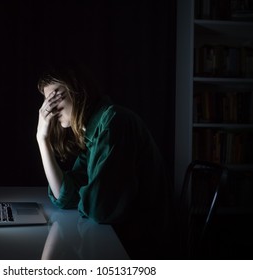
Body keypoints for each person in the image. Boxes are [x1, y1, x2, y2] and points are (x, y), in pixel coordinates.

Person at [36, 61, 172, 259]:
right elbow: (66, 197)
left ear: (76, 89)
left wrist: (88, 195)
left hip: (141, 249)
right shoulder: (93, 132)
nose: (50, 109)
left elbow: (99, 209)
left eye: (55, 96)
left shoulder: (113, 123)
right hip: (119, 240)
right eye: (46, 101)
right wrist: (42, 139)